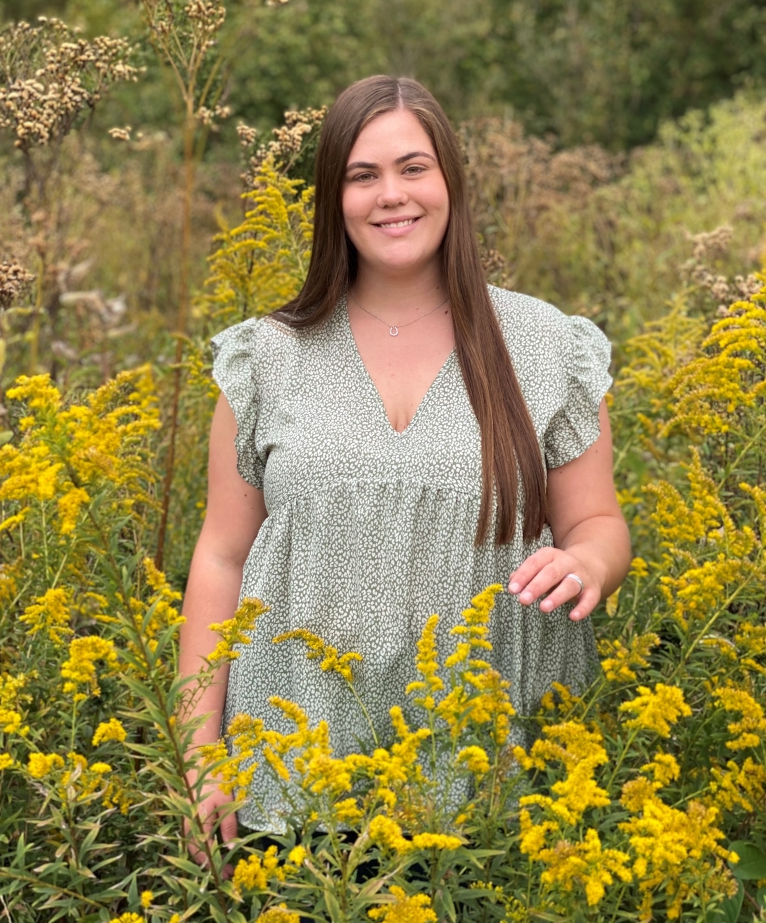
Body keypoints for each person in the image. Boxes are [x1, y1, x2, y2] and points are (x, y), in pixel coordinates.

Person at [178, 75, 632, 856]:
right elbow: (221, 556)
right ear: (334, 198)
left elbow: (597, 522)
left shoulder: (544, 343)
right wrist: (199, 756)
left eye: (413, 167)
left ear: (449, 179)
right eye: (363, 175)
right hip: (294, 770)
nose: (392, 195)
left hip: (493, 767)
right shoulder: (269, 356)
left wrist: (590, 564)